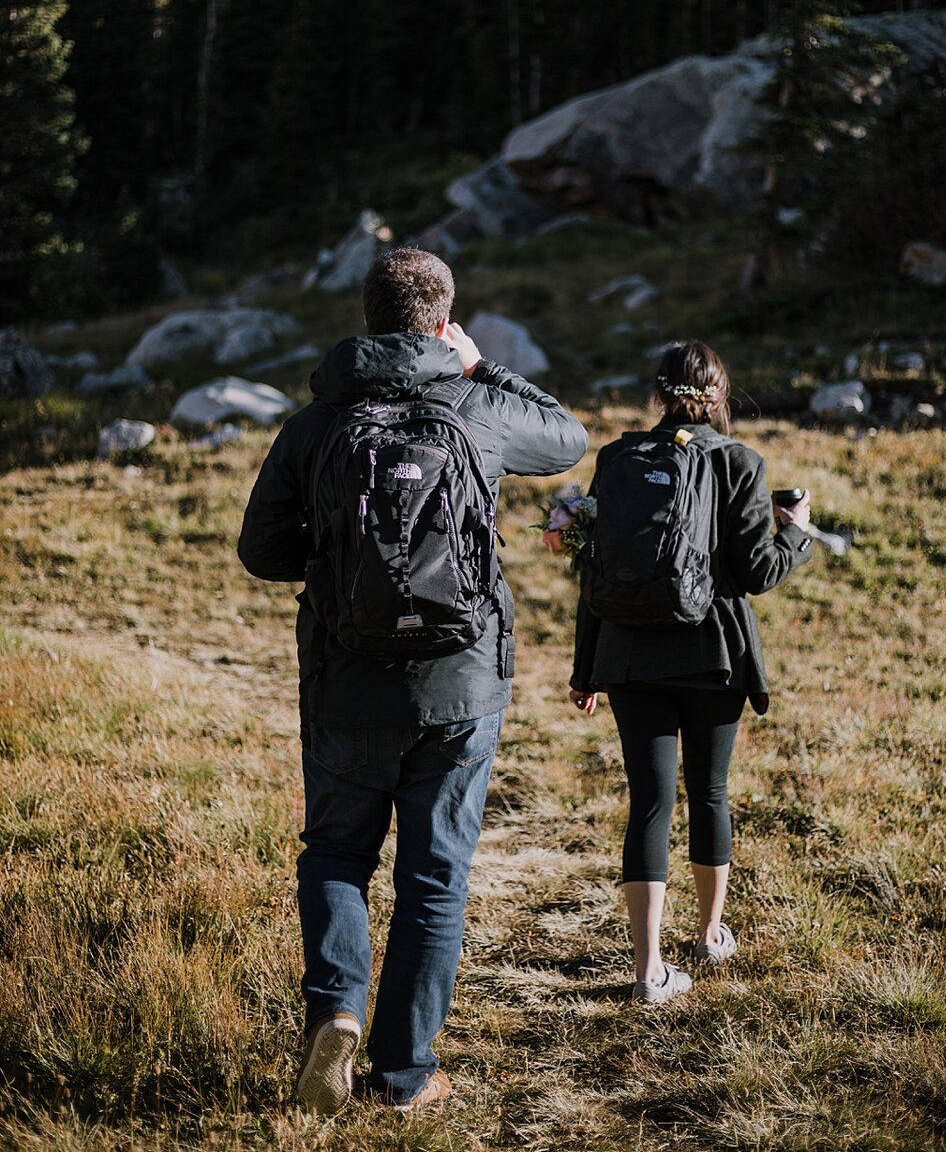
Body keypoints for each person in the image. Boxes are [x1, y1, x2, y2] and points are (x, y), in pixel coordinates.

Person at [238, 247, 587, 1112]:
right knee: (434, 877)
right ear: (442, 321)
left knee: (336, 856)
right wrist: (482, 364)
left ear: (367, 318)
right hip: (460, 684)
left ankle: (336, 1012)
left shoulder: (318, 420)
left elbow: (262, 552)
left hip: (346, 681)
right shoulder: (476, 407)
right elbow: (571, 439)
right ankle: (403, 1078)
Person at [569, 339, 811, 1004]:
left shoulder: (617, 460)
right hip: (713, 656)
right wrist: (797, 531)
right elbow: (758, 571)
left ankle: (647, 971)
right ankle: (708, 934)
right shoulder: (739, 460)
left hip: (626, 654)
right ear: (719, 395)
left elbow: (595, 572)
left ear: (658, 393)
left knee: (648, 800)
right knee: (707, 793)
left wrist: (585, 670)